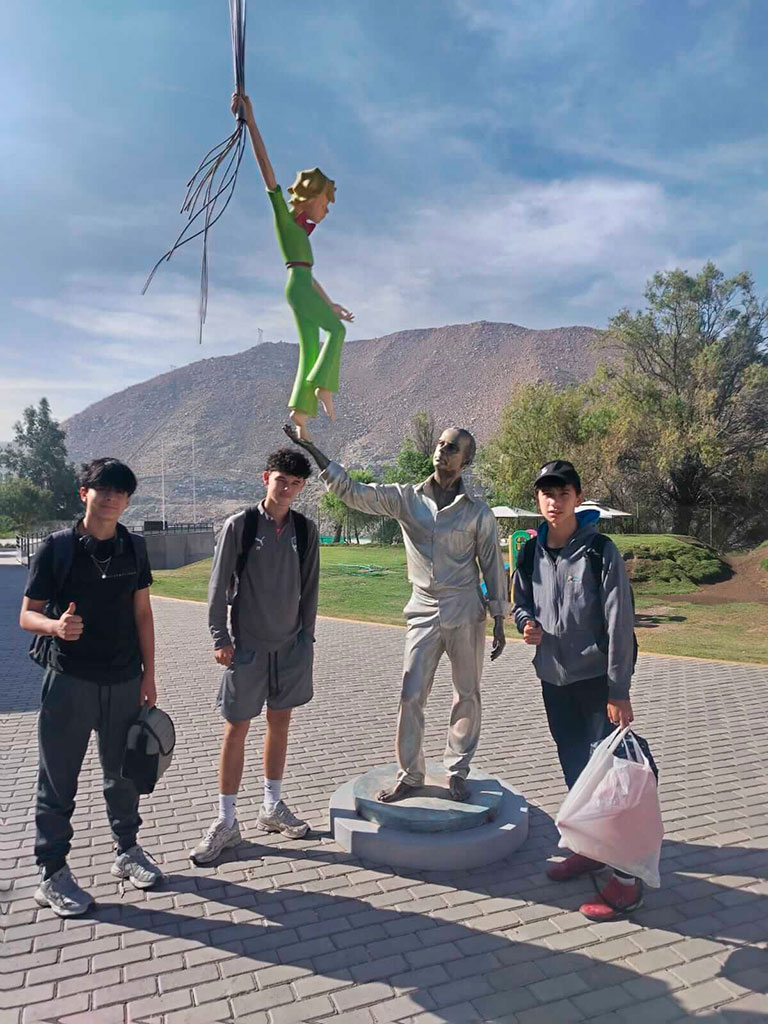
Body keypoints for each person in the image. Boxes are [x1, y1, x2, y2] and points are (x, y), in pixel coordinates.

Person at [286, 423, 508, 804]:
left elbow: (491, 564)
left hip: (466, 610)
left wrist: (500, 617)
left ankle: (457, 770)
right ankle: (411, 773)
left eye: (452, 448)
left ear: (466, 460)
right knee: (410, 694)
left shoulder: (478, 513)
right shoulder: (406, 499)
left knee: (467, 694)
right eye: (440, 444)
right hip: (423, 609)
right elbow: (353, 492)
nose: (442, 451)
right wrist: (312, 448)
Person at [20, 458, 162, 917]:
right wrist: (54, 627)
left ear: (128, 500)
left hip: (124, 680)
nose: (112, 498)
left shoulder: (134, 548)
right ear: (85, 493)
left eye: (121, 491)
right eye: (104, 489)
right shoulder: (57, 548)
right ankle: (52, 872)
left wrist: (149, 674)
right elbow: (27, 614)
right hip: (69, 682)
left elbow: (143, 613)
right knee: (58, 781)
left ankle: (127, 850)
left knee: (123, 775)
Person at [513, 459, 642, 920]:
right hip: (553, 680)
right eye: (547, 493)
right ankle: (590, 850)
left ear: (577, 497)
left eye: (563, 492)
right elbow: (521, 602)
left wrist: (618, 690)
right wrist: (525, 623)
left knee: (612, 780)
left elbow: (620, 623)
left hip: (596, 685)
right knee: (576, 773)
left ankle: (626, 880)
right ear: (538, 499)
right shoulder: (529, 552)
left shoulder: (599, 551)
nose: (554, 501)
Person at [190, 448, 319, 864]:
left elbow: (310, 589)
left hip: (290, 648)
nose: (287, 489)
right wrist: (220, 638)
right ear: (266, 478)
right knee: (236, 728)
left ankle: (271, 806)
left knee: (280, 724)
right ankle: (227, 820)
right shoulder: (240, 526)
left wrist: (306, 640)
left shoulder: (305, 530)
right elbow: (216, 588)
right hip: (245, 648)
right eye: (281, 480)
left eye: (295, 484)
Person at [233, 91, 354, 442]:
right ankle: (322, 386)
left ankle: (300, 415)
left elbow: (309, 276)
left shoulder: (302, 235)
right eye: (325, 205)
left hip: (301, 284)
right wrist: (251, 122)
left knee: (311, 346)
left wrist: (330, 303)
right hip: (297, 286)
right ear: (311, 198)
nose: (326, 212)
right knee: (337, 332)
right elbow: (266, 168)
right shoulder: (286, 222)